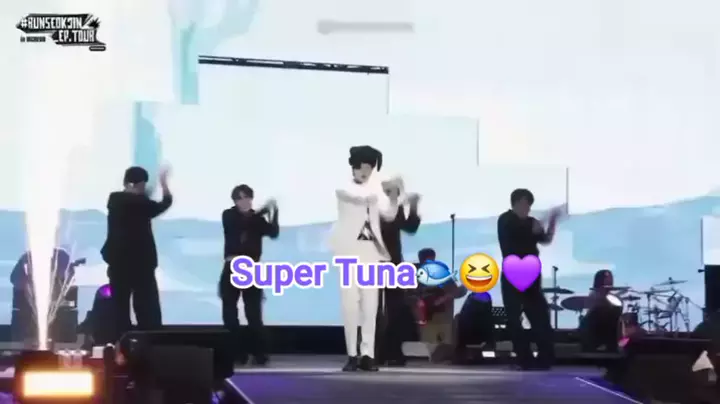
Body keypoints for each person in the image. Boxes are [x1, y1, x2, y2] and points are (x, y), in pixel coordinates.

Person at [329, 145, 398, 372]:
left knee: (370, 307)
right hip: (348, 254)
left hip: (371, 254)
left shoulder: (374, 190)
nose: (365, 172)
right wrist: (382, 189)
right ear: (353, 167)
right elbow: (359, 198)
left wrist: (394, 196)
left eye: (369, 167)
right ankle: (352, 354)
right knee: (350, 306)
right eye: (362, 167)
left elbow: (389, 214)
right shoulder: (344, 187)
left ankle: (368, 354)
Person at [100, 166, 172, 343]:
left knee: (119, 308)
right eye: (142, 185)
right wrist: (164, 183)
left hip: (118, 263)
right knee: (147, 308)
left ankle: (118, 345)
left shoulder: (115, 201)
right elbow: (164, 203)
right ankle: (149, 343)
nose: (143, 189)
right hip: (141, 264)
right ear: (135, 184)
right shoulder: (139, 203)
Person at [497, 188, 559, 370]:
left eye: (529, 205)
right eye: (525, 204)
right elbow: (517, 230)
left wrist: (552, 221)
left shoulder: (532, 222)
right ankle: (524, 359)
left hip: (532, 274)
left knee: (540, 314)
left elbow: (545, 239)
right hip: (512, 273)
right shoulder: (506, 219)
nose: (527, 208)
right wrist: (539, 223)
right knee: (514, 317)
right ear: (516, 203)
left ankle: (545, 357)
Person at [220, 184, 279, 366]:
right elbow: (241, 224)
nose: (244, 201)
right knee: (229, 313)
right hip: (232, 265)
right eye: (239, 198)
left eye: (246, 198)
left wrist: (274, 212)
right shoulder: (229, 215)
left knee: (253, 313)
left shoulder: (257, 219)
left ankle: (259, 352)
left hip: (251, 268)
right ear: (235, 201)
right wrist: (263, 211)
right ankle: (237, 352)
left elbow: (273, 232)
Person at [375, 175, 421, 366]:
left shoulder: (396, 209)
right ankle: (377, 353)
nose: (392, 195)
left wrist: (414, 207)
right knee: (377, 310)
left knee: (395, 309)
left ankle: (392, 351)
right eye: (389, 192)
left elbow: (410, 227)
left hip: (393, 264)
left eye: (394, 191)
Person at [408, 248, 466, 362]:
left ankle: (441, 355)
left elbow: (456, 291)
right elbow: (409, 294)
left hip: (439, 314)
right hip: (425, 315)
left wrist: (444, 298)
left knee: (439, 342)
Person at [581, 269, 623, 352]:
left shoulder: (611, 296)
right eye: (607, 277)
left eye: (611, 277)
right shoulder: (594, 294)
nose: (610, 280)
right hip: (597, 326)